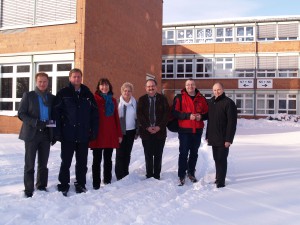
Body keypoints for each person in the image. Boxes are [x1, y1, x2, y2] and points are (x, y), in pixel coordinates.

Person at [53, 68, 99, 196]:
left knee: (82, 162)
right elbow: (56, 113)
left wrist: (94, 130)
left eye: (79, 77)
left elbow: (95, 114)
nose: (77, 79)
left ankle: (80, 184)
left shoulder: (87, 94)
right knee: (66, 161)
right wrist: (57, 131)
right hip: (68, 134)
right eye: (74, 77)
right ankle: (63, 185)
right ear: (70, 78)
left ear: (81, 78)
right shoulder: (63, 93)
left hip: (83, 134)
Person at [18, 72, 55, 198]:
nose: (42, 84)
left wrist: (52, 130)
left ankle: (41, 185)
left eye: (44, 81)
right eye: (40, 81)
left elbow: (53, 116)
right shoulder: (28, 96)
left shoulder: (52, 98)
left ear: (48, 82)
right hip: (31, 134)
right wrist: (35, 122)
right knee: (29, 164)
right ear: (36, 82)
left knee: (43, 164)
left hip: (45, 134)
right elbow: (21, 114)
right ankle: (28, 189)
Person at [172, 79, 208, 186]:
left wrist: (201, 116)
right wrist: (188, 116)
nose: (190, 86)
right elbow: (175, 112)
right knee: (183, 153)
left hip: (197, 130)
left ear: (195, 86)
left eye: (192, 84)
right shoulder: (179, 97)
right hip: (184, 130)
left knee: (194, 153)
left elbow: (207, 113)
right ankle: (181, 175)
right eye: (188, 85)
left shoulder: (201, 98)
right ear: (185, 86)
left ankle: (191, 172)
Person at [89, 78, 122, 189]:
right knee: (96, 160)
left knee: (108, 159)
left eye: (106, 85)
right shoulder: (94, 99)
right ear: (98, 87)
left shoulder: (112, 100)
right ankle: (96, 183)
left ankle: (107, 180)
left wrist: (119, 134)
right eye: (102, 85)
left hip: (110, 133)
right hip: (98, 133)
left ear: (109, 87)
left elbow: (116, 118)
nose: (104, 87)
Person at [206, 82, 237, 188]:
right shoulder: (211, 102)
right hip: (214, 136)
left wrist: (229, 139)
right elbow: (210, 120)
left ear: (223, 89)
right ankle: (218, 178)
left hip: (224, 137)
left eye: (218, 89)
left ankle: (221, 181)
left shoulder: (229, 103)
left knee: (222, 159)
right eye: (214, 90)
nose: (216, 92)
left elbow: (232, 123)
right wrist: (207, 135)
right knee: (216, 158)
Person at [137, 79, 169, 180]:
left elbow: (166, 114)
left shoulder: (163, 99)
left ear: (156, 87)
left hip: (160, 132)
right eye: (148, 86)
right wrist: (147, 127)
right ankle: (149, 174)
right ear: (145, 88)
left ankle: (156, 175)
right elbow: (140, 115)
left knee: (158, 154)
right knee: (148, 154)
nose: (151, 88)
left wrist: (159, 126)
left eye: (152, 86)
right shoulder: (142, 100)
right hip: (146, 132)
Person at [115, 82, 139, 180]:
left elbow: (138, 118)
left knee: (127, 153)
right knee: (120, 153)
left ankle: (125, 172)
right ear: (122, 91)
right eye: (125, 91)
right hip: (120, 132)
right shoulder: (117, 103)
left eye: (129, 91)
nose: (127, 92)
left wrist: (137, 131)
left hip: (131, 131)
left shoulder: (135, 103)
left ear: (132, 92)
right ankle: (119, 175)